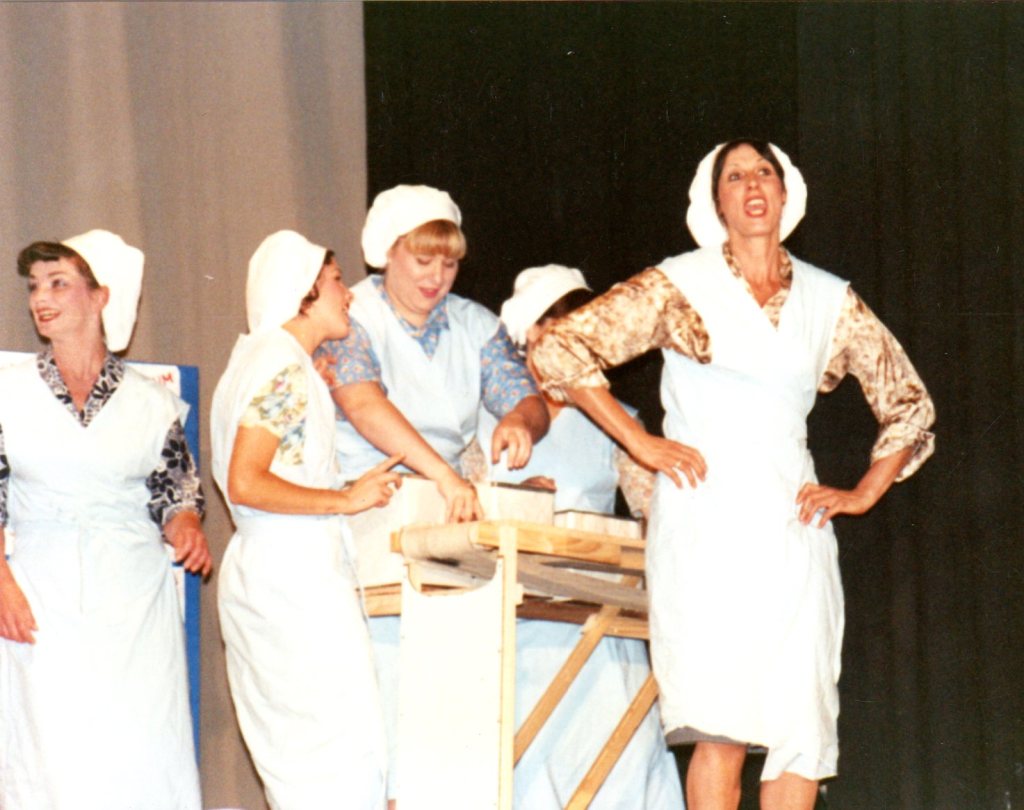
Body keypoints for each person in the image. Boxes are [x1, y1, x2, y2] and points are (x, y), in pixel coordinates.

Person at [530, 141, 936, 810]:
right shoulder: (680, 285)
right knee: (720, 727)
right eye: (736, 176)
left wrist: (865, 492)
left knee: (800, 727)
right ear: (716, 201)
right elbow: (559, 345)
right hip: (705, 520)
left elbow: (909, 404)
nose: (752, 185)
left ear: (785, 193)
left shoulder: (828, 299)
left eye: (764, 173)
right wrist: (640, 441)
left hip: (792, 522)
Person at [318, 184, 549, 804]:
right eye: (422, 260)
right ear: (386, 253)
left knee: (451, 703)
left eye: (448, 263)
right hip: (370, 513)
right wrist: (444, 477)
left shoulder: (475, 324)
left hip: (448, 518)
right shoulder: (351, 317)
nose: (436, 277)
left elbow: (526, 398)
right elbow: (364, 405)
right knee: (387, 699)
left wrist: (519, 422)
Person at [0, 230, 210, 809]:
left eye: (58, 283)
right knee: (53, 751)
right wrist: (1, 582)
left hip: (133, 599)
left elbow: (174, 493)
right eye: (35, 287)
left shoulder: (151, 402)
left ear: (101, 296)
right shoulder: (7, 393)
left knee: (138, 747)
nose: (41, 298)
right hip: (42, 590)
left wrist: (187, 526)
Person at [469, 263, 684, 807]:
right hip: (518, 624)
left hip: (600, 619)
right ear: (530, 336)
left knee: (618, 763)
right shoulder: (485, 420)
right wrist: (515, 499)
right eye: (559, 333)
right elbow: (463, 510)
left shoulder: (618, 422)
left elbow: (656, 511)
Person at [211, 230, 402, 810]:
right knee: (334, 757)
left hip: (278, 571)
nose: (349, 295)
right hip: (292, 581)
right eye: (338, 282)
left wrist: (343, 493)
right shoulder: (283, 367)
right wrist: (345, 500)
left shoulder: (266, 360)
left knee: (312, 759)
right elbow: (247, 482)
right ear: (304, 294)